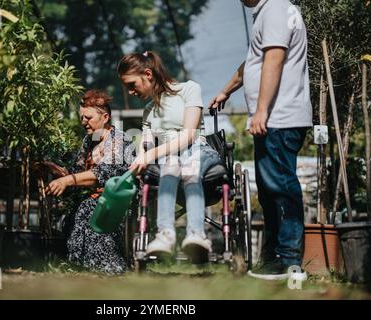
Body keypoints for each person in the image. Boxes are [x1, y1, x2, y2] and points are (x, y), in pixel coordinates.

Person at [209, 0, 312, 280]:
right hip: (273, 119)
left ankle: (289, 262)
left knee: (281, 187)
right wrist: (226, 91)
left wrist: (262, 110)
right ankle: (274, 259)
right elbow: (255, 60)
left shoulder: (276, 7)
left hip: (279, 117)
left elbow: (274, 58)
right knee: (269, 190)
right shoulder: (268, 11)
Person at [117, 51, 221, 263]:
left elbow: (189, 134)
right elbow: (146, 147)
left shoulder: (189, 89)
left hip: (197, 150)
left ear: (148, 74)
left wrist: (151, 154)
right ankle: (165, 235)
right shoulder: (148, 111)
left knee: (189, 167)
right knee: (171, 165)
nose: (130, 92)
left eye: (132, 84)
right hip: (169, 160)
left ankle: (196, 235)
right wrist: (140, 160)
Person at [44, 89, 136, 274]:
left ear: (105, 117)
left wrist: (68, 180)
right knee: (70, 212)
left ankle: (108, 267)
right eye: (82, 117)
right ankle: (77, 266)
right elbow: (76, 173)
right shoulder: (89, 141)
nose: (83, 121)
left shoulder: (118, 139)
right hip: (94, 198)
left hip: (116, 201)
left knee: (88, 209)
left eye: (88, 117)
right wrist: (56, 170)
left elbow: (104, 173)